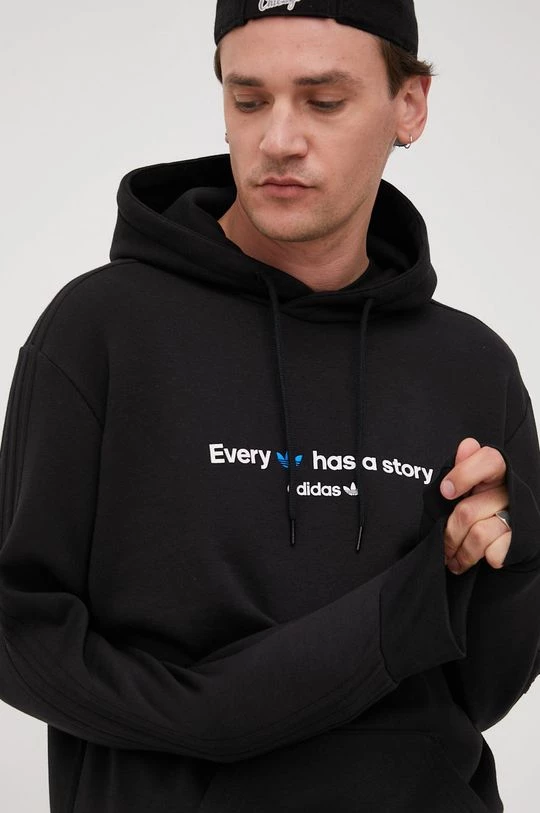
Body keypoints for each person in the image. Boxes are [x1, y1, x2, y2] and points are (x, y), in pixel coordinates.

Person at [0, 1, 539, 811]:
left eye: (324, 101)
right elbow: (18, 631)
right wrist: (215, 716)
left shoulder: (472, 366)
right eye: (248, 100)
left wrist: (508, 552)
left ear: (410, 105)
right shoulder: (100, 331)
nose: (278, 140)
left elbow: (483, 690)